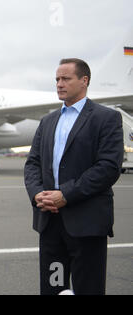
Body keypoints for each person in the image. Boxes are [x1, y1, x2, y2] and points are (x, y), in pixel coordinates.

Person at [24, 58, 124, 295]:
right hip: (50, 223)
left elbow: (108, 167)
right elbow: (33, 164)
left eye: (66, 78)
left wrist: (65, 195)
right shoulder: (48, 121)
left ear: (84, 80)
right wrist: (38, 193)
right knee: (53, 288)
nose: (59, 84)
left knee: (87, 288)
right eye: (57, 79)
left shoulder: (105, 118)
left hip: (86, 223)